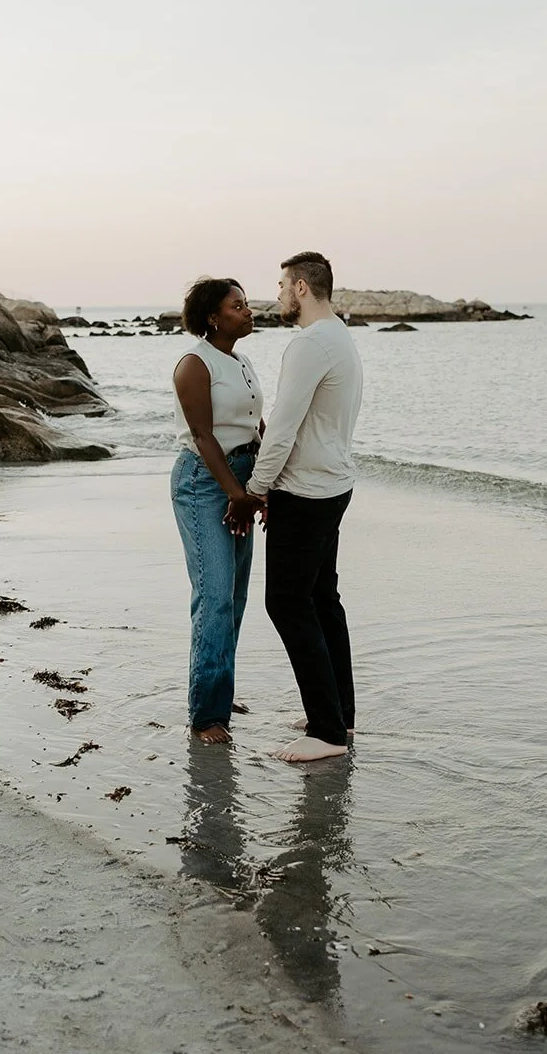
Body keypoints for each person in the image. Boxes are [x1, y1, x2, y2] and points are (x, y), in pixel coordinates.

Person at [226, 252, 362, 763]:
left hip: (305, 490)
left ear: (302, 287)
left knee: (286, 603)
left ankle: (327, 731)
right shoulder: (340, 335)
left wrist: (257, 489)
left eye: (284, 285)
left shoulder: (308, 343)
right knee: (322, 600)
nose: (279, 294)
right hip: (333, 483)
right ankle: (339, 716)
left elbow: (282, 427)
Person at [171, 277, 266, 743]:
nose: (248, 311)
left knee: (236, 594)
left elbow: (255, 426)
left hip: (242, 483)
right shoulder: (194, 363)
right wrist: (234, 493)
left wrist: (263, 487)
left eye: (246, 304)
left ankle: (220, 689)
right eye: (237, 305)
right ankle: (206, 714)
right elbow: (203, 436)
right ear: (213, 316)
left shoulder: (242, 361)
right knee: (213, 594)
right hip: (204, 485)